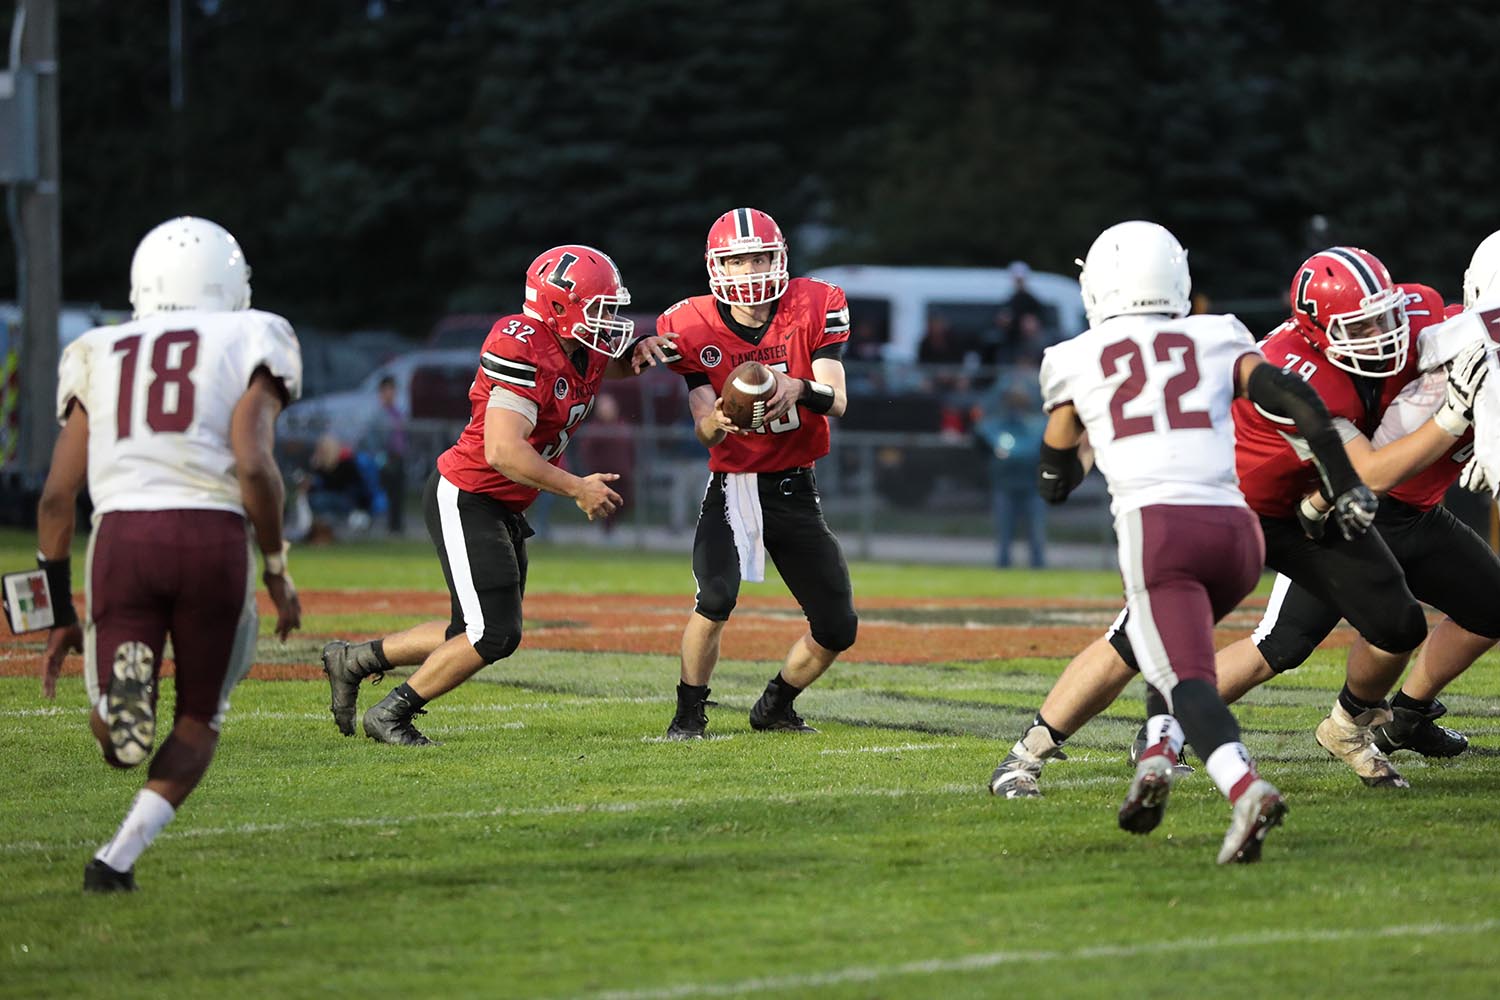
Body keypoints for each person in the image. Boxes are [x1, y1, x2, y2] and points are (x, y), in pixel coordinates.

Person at [989, 248, 1486, 803]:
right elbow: (1356, 458)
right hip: (1235, 507)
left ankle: (1351, 726)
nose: (1381, 334)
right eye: (1360, 325)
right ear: (1316, 330)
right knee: (1140, 639)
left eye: (1383, 318)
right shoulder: (1283, 360)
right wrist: (1453, 414)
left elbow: (1457, 328)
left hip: (1307, 509)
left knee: (1396, 623)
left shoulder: (1398, 317)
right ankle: (1028, 751)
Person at [1010, 220, 1380, 864]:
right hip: (1237, 534)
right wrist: (1344, 480)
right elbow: (1292, 394)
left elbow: (1052, 482)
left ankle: (1246, 789)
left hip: (1162, 534)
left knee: (1187, 681)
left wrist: (1090, 444)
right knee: (1170, 656)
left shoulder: (1070, 360)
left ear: (1096, 285)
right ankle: (1154, 758)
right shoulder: (1217, 334)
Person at [35, 216, 302, 892]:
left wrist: (57, 607)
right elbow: (253, 462)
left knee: (116, 729)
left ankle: (119, 703)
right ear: (232, 281)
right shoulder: (254, 332)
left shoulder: (98, 347)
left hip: (123, 536)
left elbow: (57, 498)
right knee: (199, 714)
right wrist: (275, 565)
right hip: (210, 536)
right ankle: (114, 861)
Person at [319, 246, 673, 744]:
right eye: (600, 310)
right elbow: (504, 450)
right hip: (470, 494)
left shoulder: (580, 347)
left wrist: (637, 354)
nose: (609, 322)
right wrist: (575, 487)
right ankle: (391, 714)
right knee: (492, 634)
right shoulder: (521, 343)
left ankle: (353, 660)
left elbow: (602, 367)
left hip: (503, 503)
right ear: (557, 308)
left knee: (471, 631)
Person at [655, 207, 858, 740]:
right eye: (738, 260)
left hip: (794, 484)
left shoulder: (815, 303)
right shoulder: (690, 324)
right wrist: (718, 421)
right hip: (735, 485)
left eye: (760, 258)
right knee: (715, 598)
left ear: (780, 257)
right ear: (717, 267)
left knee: (838, 627)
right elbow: (704, 429)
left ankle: (775, 705)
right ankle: (688, 714)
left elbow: (836, 400)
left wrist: (799, 387)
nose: (749, 270)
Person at [972, 365, 1047, 568]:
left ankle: (1038, 567)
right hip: (1005, 485)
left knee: (1036, 534)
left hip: (1032, 486)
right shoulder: (996, 425)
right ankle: (1003, 566)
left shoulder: (1038, 424)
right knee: (1004, 534)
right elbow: (980, 435)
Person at [366, 374, 409, 534]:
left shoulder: (399, 413)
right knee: (387, 492)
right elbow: (372, 440)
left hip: (399, 457)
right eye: (386, 390)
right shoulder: (378, 416)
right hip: (386, 458)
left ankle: (396, 526)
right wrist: (380, 458)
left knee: (398, 493)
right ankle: (387, 525)